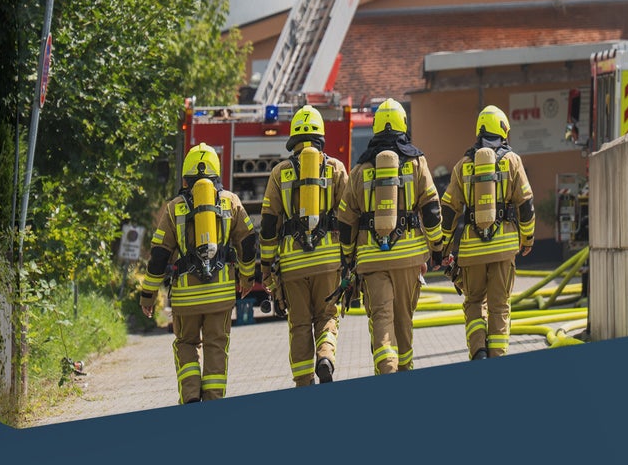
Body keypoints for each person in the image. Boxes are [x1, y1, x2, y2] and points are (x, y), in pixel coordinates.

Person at [139, 144, 258, 403]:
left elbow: (159, 257)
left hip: (187, 298)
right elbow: (249, 243)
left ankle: (191, 396)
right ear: (217, 173)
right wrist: (246, 277)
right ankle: (214, 400)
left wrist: (148, 296)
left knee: (186, 345)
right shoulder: (231, 202)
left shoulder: (173, 208)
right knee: (217, 347)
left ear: (185, 177)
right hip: (221, 295)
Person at [337, 98, 442, 375]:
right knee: (403, 320)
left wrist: (348, 257)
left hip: (372, 260)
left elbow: (346, 221)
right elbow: (431, 209)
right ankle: (405, 369)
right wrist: (437, 247)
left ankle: (387, 367)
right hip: (409, 257)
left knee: (381, 319)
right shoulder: (417, 163)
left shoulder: (359, 170)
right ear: (402, 125)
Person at [257, 105, 352, 386]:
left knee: (299, 325)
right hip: (328, 261)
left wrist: (266, 268)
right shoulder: (335, 168)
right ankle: (325, 357)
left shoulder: (279, 173)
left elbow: (268, 224)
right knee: (327, 317)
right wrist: (349, 259)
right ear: (320, 136)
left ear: (293, 139)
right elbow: (348, 217)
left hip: (293, 265)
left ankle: (302, 383)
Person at [437, 105, 535, 360]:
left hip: (471, 250)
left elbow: (448, 211)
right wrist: (528, 238)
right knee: (499, 306)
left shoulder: (463, 166)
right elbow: (525, 203)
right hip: (504, 247)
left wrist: (442, 248)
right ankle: (498, 355)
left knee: (473, 302)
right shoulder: (513, 161)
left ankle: (478, 349)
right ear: (503, 130)